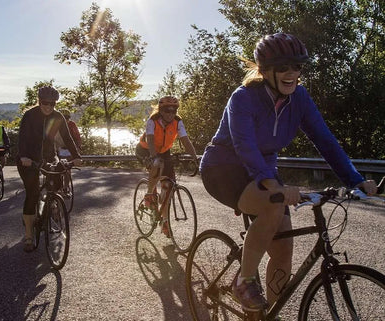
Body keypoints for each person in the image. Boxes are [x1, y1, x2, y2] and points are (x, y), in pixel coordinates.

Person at [199, 32, 377, 312]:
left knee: (283, 248)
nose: (292, 73)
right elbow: (244, 146)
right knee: (272, 206)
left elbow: (326, 141)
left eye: (297, 67)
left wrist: (355, 180)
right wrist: (273, 186)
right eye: (284, 67)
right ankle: (243, 281)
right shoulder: (243, 98)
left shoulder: (300, 99)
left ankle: (269, 313)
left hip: (264, 170)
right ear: (265, 70)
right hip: (224, 167)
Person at [17, 86, 82, 253]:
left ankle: (53, 205)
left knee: (56, 183)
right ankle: (29, 235)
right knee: (32, 194)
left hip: (48, 157)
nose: (48, 106)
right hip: (28, 159)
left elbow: (67, 138)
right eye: (45, 103)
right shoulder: (30, 116)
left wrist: (76, 156)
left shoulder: (58, 116)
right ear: (39, 101)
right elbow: (22, 138)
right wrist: (24, 156)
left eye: (52, 104)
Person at [135, 95, 198, 237]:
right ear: (161, 110)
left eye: (174, 110)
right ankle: (149, 194)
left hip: (163, 151)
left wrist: (196, 158)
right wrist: (153, 156)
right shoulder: (153, 120)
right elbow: (150, 140)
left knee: (168, 187)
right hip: (145, 149)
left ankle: (165, 221)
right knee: (157, 164)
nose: (170, 113)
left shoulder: (177, 121)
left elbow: (186, 141)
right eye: (167, 110)